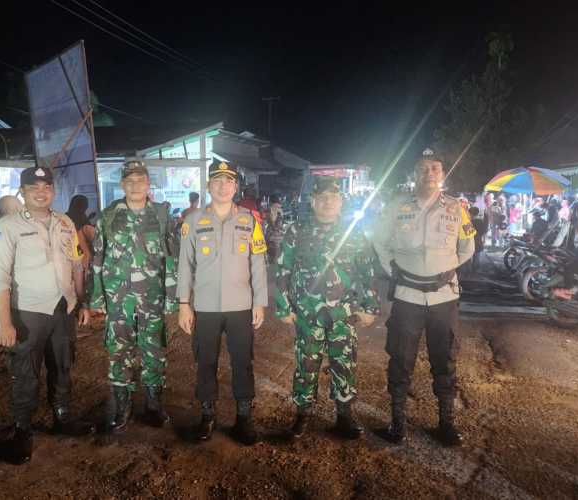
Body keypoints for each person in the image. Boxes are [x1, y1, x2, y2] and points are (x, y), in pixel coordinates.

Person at [0, 167, 94, 465]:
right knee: (26, 375)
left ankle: (62, 417)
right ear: (22, 191)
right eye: (33, 186)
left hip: (64, 310)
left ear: (53, 190)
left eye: (46, 186)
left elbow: (77, 264)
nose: (41, 191)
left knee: (62, 366)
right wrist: (5, 321)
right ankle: (22, 432)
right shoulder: (7, 227)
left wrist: (81, 301)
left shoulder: (64, 223)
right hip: (28, 314)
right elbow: (0, 278)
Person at [373, 148, 475, 446]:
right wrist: (392, 268)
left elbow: (468, 247)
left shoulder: (457, 208)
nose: (429, 173)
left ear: (442, 174)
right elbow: (379, 241)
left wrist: (447, 270)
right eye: (423, 168)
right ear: (414, 174)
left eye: (435, 168)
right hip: (407, 296)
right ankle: (397, 423)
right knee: (400, 360)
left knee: (445, 361)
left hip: (444, 298)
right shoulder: (396, 206)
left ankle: (446, 423)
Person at [275, 177, 379, 439]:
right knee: (306, 364)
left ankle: (344, 415)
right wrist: (283, 306)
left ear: (341, 202)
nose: (328, 201)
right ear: (313, 201)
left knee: (344, 363)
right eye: (322, 197)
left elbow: (366, 271)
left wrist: (369, 305)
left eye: (333, 197)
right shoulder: (297, 230)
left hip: (343, 313)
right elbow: (283, 268)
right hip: (307, 313)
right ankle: (302, 415)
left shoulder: (354, 233)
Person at [177, 159, 268, 445]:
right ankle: (207, 416)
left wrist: (260, 302)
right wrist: (183, 303)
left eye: (228, 181)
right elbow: (184, 265)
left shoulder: (249, 220)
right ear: (208, 186)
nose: (223, 186)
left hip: (241, 306)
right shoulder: (192, 221)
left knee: (243, 362)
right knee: (205, 362)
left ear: (235, 186)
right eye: (217, 181)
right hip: (205, 307)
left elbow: (258, 263)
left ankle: (244, 418)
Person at [84, 159, 178, 435]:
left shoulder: (162, 217)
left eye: (141, 180)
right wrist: (97, 299)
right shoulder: (107, 216)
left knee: (154, 351)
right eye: (130, 180)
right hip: (119, 299)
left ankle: (153, 404)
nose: (135, 185)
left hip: (152, 298)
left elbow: (172, 259)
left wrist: (172, 296)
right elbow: (97, 260)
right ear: (122, 184)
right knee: (118, 352)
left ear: (149, 184)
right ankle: (122, 405)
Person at [469, 206, 487, 273]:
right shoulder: (480, 221)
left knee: (469, 256)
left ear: (470, 213)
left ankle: (470, 270)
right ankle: (475, 270)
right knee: (476, 256)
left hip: (471, 241)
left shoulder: (469, 222)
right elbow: (483, 231)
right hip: (478, 241)